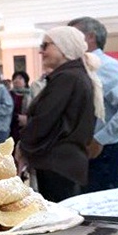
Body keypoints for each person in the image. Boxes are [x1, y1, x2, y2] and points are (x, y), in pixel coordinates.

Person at [17, 27, 102, 202]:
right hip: (65, 163)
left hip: (58, 164)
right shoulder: (74, 75)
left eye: (46, 45)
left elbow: (43, 121)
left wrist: (22, 147)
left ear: (65, 47)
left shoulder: (68, 78)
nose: (41, 51)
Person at [69, 16, 118, 193]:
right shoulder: (77, 67)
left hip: (103, 154)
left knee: (100, 217)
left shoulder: (106, 66)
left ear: (91, 37)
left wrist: (100, 139)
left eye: (73, 35)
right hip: (82, 153)